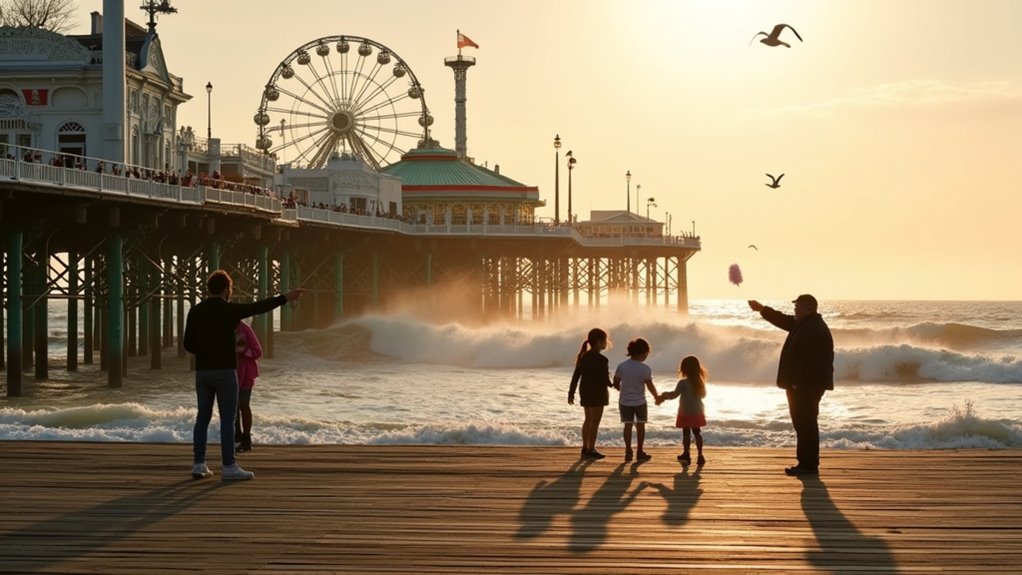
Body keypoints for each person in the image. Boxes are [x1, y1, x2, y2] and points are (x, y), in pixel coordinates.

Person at [183, 270, 302, 481]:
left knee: (202, 418)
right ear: (227, 289)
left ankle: (199, 464)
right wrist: (286, 297)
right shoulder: (229, 310)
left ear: (210, 289)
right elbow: (258, 307)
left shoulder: (195, 311)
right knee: (228, 419)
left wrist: (206, 352)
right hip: (226, 372)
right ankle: (229, 466)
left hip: (203, 373)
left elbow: (188, 344)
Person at [748, 294, 834, 476]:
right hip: (800, 385)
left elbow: (811, 362)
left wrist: (798, 383)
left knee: (806, 423)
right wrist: (762, 309)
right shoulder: (803, 324)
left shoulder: (814, 329)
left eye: (798, 307)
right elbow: (782, 319)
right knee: (802, 423)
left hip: (806, 387)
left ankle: (808, 464)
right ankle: (806, 462)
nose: (794, 310)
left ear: (809, 309)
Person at [612, 338, 660, 462]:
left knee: (627, 426)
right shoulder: (645, 368)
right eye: (646, 353)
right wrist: (656, 397)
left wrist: (621, 389)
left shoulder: (622, 366)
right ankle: (640, 451)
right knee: (641, 426)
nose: (647, 356)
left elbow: (616, 382)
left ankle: (628, 450)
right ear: (642, 353)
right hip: (640, 402)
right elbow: (649, 385)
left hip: (624, 401)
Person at [568, 328, 613, 459]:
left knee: (588, 420)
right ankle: (591, 449)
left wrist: (571, 393)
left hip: (585, 391)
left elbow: (576, 376)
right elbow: (605, 379)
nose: (607, 342)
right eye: (605, 340)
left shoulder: (583, 357)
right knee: (595, 422)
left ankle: (585, 448)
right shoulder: (602, 359)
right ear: (599, 342)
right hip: (598, 393)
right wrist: (615, 385)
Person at [657, 355, 708, 465]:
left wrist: (663, 396)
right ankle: (700, 455)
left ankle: (686, 454)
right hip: (698, 411)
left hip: (685, 412)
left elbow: (674, 395)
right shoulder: (700, 382)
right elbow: (703, 395)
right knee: (697, 432)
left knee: (686, 433)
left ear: (684, 369)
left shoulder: (683, 383)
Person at [233, 320, 263, 453]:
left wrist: (243, 350)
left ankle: (246, 439)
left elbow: (258, 351)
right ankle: (236, 437)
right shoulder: (222, 326)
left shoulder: (245, 329)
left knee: (243, 404)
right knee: (232, 407)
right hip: (229, 371)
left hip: (246, 373)